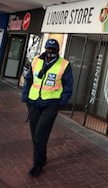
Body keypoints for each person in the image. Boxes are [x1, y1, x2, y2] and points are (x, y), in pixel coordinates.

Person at [21, 38, 73, 177]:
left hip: (51, 103)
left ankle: (37, 164)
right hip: (33, 101)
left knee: (40, 133)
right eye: (48, 49)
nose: (50, 52)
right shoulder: (37, 60)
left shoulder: (64, 64)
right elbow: (29, 80)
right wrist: (25, 97)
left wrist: (61, 102)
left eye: (53, 50)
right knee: (34, 133)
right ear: (45, 48)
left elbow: (68, 86)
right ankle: (42, 157)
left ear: (58, 51)